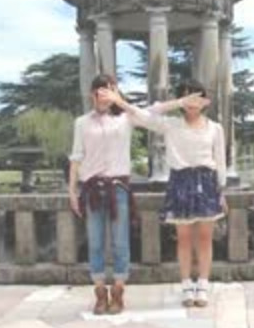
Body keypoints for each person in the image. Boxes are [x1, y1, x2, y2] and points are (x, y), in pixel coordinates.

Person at [69, 73, 208, 314]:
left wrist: (181, 102)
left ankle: (118, 291)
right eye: (101, 90)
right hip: (91, 189)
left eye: (111, 89)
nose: (105, 94)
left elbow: (154, 110)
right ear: (92, 94)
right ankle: (100, 292)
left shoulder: (126, 117)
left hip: (119, 188)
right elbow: (76, 156)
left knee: (120, 242)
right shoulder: (81, 123)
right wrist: (72, 190)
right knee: (95, 243)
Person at [99, 79, 226, 308]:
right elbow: (143, 116)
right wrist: (121, 102)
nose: (191, 103)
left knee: (205, 238)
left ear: (205, 101)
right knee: (184, 238)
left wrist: (221, 190)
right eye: (186, 97)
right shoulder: (171, 125)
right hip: (180, 182)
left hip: (206, 182)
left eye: (196, 97)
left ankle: (203, 285)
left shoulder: (215, 128)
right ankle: (186, 285)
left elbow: (220, 160)